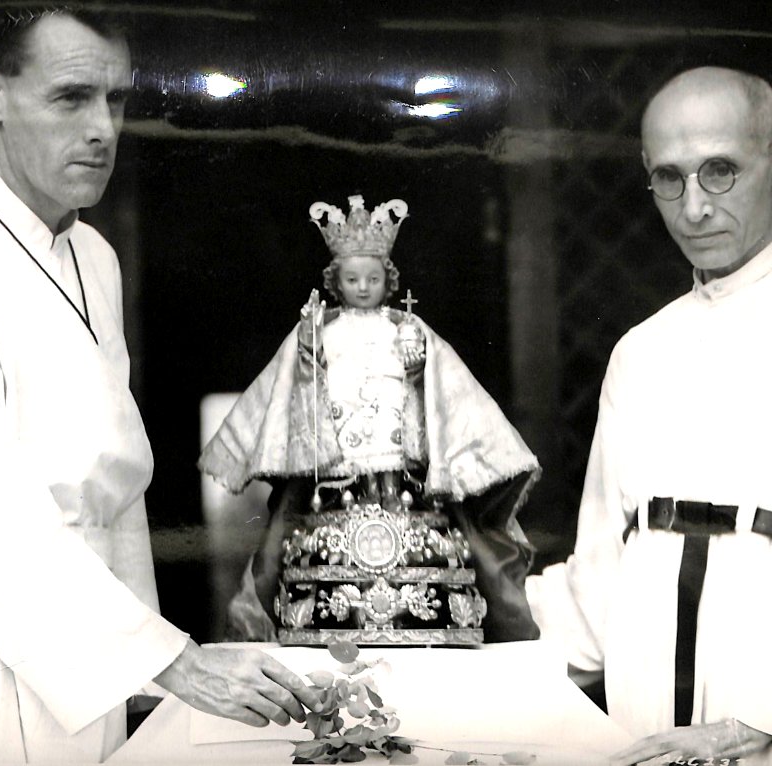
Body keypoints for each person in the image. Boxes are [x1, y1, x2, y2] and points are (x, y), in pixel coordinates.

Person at [0, 8, 318, 764]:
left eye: (116, 100)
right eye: (71, 98)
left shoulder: (93, 257)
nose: (103, 128)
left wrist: (146, 682)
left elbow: (112, 502)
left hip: (84, 668)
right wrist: (173, 662)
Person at [527, 66, 772, 765]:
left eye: (720, 170)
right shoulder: (641, 351)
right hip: (646, 738)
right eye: (670, 177)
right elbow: (599, 574)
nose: (693, 207)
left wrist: (757, 723)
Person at [199, 195, 542, 644]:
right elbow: (289, 386)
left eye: (373, 278)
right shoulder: (319, 330)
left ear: (389, 280)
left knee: (455, 538)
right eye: (352, 279)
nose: (363, 287)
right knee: (284, 539)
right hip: (338, 463)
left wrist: (421, 371)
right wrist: (308, 360)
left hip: (400, 460)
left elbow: (446, 387)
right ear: (335, 282)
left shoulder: (409, 328)